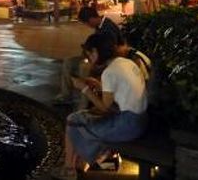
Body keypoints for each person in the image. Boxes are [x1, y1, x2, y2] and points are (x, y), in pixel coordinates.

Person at [54, 33, 148, 179]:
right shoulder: (125, 62)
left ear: (96, 52)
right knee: (83, 118)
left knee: (73, 120)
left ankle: (69, 169)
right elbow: (119, 90)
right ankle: (78, 165)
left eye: (89, 53)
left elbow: (105, 107)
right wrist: (98, 85)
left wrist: (83, 88)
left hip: (127, 125)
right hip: (140, 119)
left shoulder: (109, 72)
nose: (89, 57)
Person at [53, 6, 123, 105]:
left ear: (91, 19)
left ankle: (84, 102)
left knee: (84, 67)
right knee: (68, 62)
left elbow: (110, 51)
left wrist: (94, 61)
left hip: (108, 60)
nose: (87, 25)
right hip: (96, 56)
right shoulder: (99, 26)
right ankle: (66, 95)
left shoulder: (108, 28)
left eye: (86, 23)